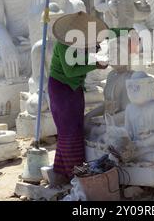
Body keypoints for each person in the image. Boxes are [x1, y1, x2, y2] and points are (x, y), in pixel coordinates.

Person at [48, 12, 118, 186]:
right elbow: (70, 71)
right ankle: (75, 175)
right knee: (69, 130)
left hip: (75, 88)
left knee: (75, 128)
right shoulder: (64, 45)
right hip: (62, 89)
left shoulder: (83, 44)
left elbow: (96, 50)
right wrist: (95, 63)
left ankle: (61, 173)